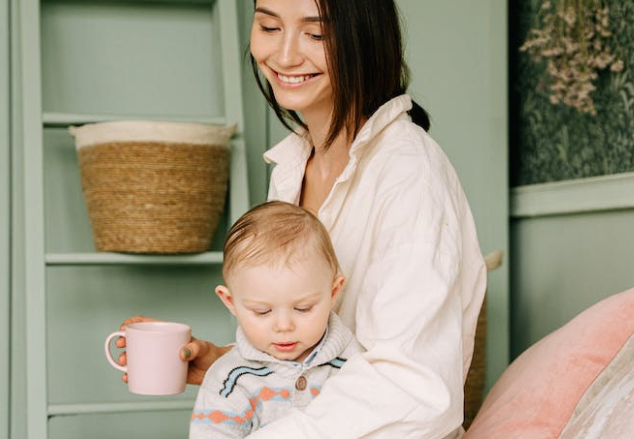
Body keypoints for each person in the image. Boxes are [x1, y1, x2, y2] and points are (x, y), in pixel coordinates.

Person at [118, 0, 487, 438]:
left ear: (363, 40)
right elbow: (323, 361)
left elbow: (412, 388)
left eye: (316, 35)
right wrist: (228, 364)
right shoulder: (295, 166)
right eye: (269, 26)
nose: (286, 55)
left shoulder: (408, 172)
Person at [189, 201, 363, 439]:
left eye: (303, 308)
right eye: (262, 312)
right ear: (230, 302)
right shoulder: (229, 381)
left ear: (333, 292)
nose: (284, 326)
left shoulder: (357, 366)